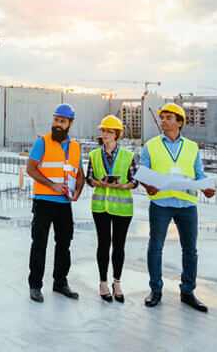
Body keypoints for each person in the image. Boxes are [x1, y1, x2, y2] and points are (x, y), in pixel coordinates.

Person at [138, 103, 216, 312]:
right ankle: (155, 290)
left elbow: (198, 173)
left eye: (168, 118)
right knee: (155, 247)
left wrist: (206, 186)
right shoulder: (151, 145)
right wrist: (148, 186)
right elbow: (142, 172)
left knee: (190, 250)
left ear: (179, 122)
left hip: (187, 205)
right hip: (161, 204)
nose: (163, 120)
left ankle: (188, 291)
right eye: (162, 117)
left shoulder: (191, 147)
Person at [24, 103, 84, 303]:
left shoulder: (75, 147)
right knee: (39, 244)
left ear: (70, 124)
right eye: (56, 120)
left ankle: (60, 283)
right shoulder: (42, 142)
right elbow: (30, 169)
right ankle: (35, 286)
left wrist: (77, 192)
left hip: (64, 204)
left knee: (64, 244)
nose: (57, 124)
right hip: (43, 201)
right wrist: (51, 185)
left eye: (62, 121)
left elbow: (80, 175)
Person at [86, 115, 136, 303]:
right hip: (100, 207)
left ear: (117, 135)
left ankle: (117, 282)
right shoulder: (94, 155)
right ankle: (103, 283)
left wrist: (123, 186)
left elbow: (134, 181)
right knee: (103, 244)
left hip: (122, 209)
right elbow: (89, 178)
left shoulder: (127, 156)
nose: (105, 134)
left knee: (119, 246)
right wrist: (97, 182)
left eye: (109, 131)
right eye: (103, 131)